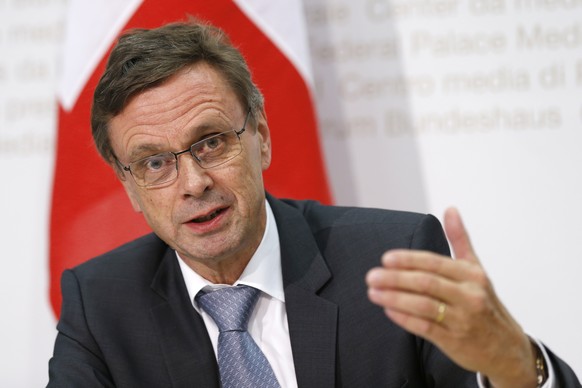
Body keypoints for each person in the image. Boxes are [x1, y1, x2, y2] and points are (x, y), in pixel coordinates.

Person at [47, 19, 580, 388]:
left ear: (261, 137)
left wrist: (514, 364)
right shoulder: (102, 306)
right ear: (130, 189)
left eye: (210, 142)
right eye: (155, 163)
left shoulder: (390, 258)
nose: (193, 183)